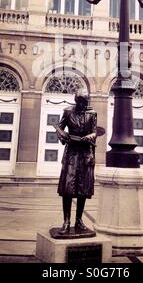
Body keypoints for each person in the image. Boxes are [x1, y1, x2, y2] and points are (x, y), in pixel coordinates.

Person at [54, 91, 97, 234]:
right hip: (71, 153)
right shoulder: (67, 112)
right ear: (76, 101)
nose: (83, 105)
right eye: (80, 102)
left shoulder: (92, 114)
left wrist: (89, 137)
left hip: (85, 153)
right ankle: (66, 221)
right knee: (68, 189)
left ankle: (79, 220)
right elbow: (59, 128)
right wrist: (63, 136)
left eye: (85, 102)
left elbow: (95, 132)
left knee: (82, 190)